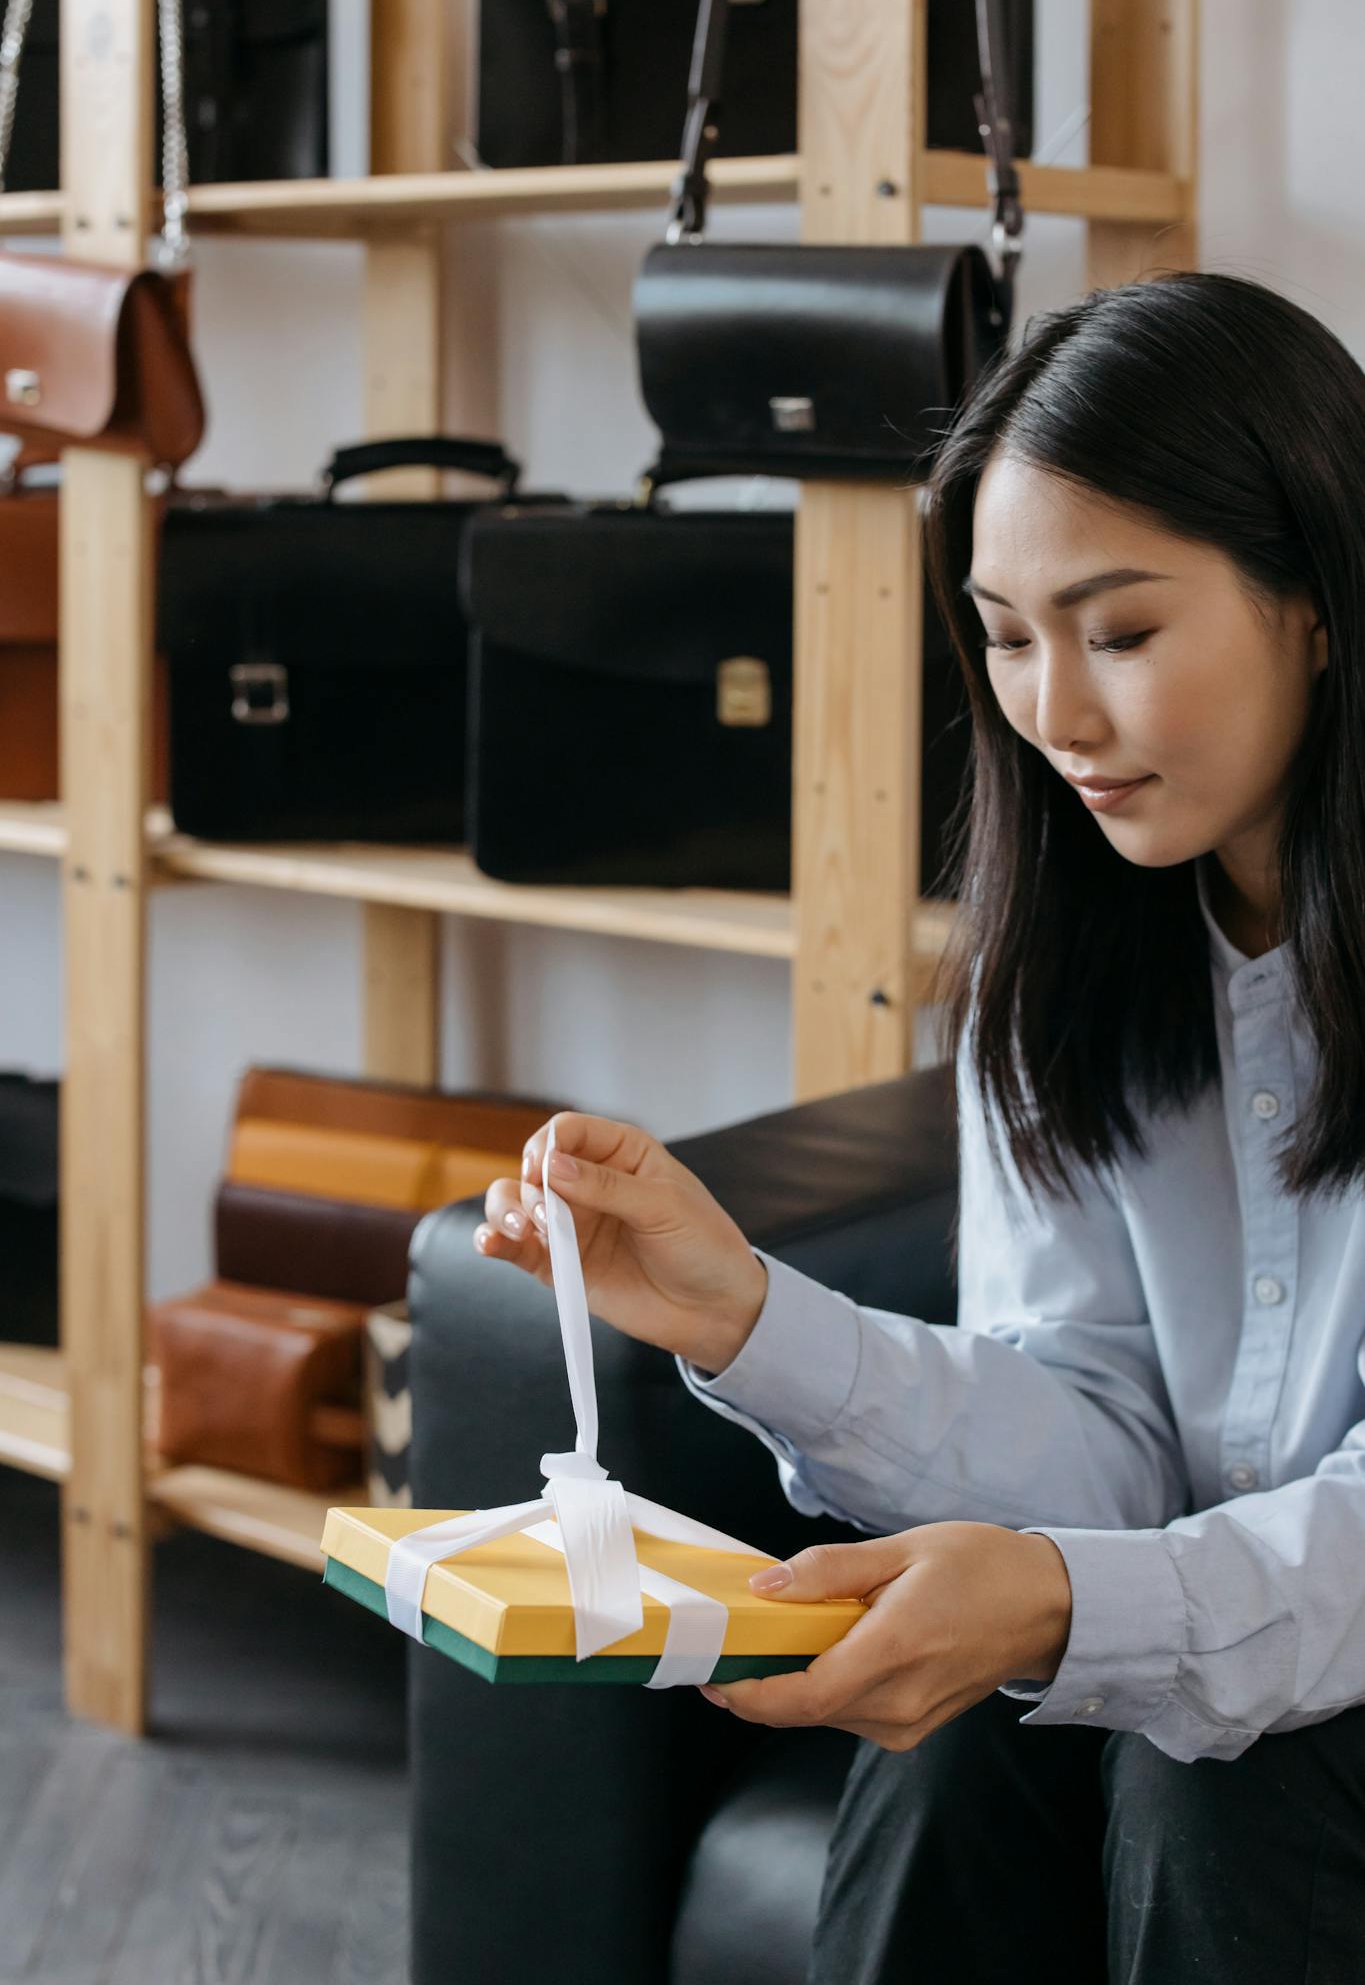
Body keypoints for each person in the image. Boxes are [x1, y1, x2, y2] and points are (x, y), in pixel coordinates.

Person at [474, 270, 1365, 1982]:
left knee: (1212, 1786)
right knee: (961, 1728)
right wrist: (741, 1314)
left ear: (1316, 597)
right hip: (1255, 1618)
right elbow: (1102, 1423)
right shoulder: (1075, 967)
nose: (1053, 714)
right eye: (1007, 636)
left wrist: (1065, 1603)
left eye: (1118, 632)